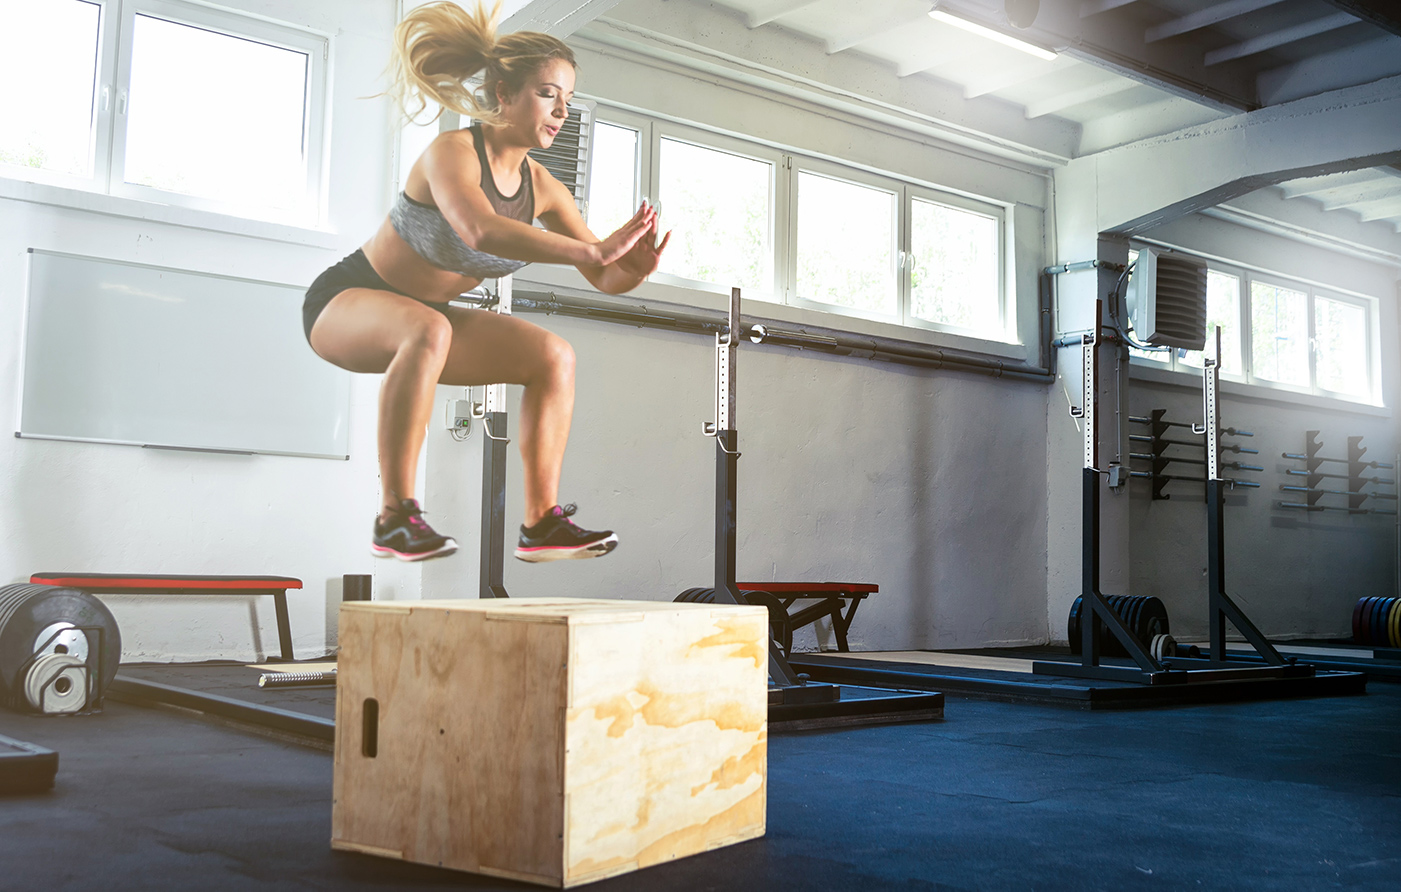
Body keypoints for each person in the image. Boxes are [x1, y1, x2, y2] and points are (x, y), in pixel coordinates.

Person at [302, 0, 668, 563]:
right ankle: (395, 516)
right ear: (503, 92)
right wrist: (595, 249)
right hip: (347, 302)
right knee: (427, 327)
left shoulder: (543, 187)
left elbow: (602, 275)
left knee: (553, 356)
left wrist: (631, 271)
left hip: (430, 321)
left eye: (568, 100)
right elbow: (479, 229)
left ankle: (541, 523)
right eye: (549, 93)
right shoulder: (451, 153)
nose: (561, 110)